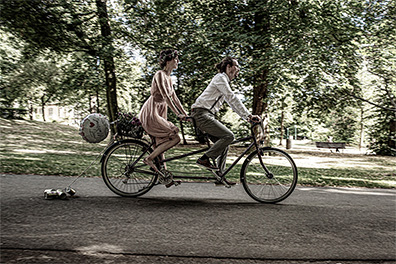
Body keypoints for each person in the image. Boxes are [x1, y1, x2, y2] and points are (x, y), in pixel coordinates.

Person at [191, 56, 260, 184]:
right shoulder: (220, 78)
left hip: (207, 115)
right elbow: (232, 98)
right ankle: (204, 159)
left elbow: (231, 102)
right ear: (228, 67)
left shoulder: (223, 81)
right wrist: (249, 116)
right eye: (236, 66)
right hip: (201, 114)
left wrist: (247, 117)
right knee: (229, 136)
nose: (238, 69)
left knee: (224, 143)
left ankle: (220, 176)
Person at [138, 49, 188, 175]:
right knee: (175, 137)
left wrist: (185, 114)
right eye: (175, 59)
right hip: (152, 110)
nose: (177, 61)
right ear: (167, 61)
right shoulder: (159, 74)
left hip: (160, 110)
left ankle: (163, 174)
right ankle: (149, 159)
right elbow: (165, 96)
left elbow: (174, 98)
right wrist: (178, 114)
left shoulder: (169, 78)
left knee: (161, 142)